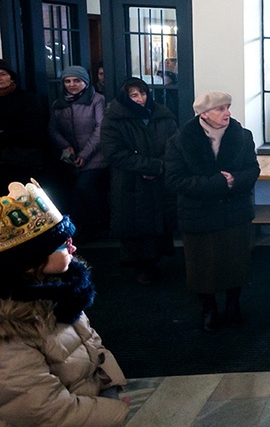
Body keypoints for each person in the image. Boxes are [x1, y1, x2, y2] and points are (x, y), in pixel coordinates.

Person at [0, 180, 129, 425]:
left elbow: (90, 343)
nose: (73, 247)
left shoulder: (61, 290)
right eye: (63, 243)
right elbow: (44, 411)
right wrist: (115, 412)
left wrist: (110, 388)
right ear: (29, 263)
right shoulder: (9, 329)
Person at [166, 92, 260, 332]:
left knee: (235, 262)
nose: (227, 113)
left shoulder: (242, 136)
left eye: (228, 107)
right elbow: (175, 180)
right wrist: (218, 183)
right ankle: (208, 309)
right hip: (199, 213)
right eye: (220, 109)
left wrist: (235, 180)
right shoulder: (180, 141)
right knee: (203, 267)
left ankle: (233, 304)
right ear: (203, 114)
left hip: (234, 211)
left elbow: (252, 169)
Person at [101, 77, 178, 285]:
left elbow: (174, 144)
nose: (140, 99)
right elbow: (113, 152)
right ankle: (141, 266)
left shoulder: (162, 114)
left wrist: (160, 166)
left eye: (143, 93)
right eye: (134, 95)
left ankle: (155, 261)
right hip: (130, 179)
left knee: (157, 221)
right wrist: (149, 166)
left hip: (159, 178)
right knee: (136, 223)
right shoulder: (114, 117)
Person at [48, 65, 108, 239]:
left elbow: (100, 128)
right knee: (71, 191)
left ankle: (96, 224)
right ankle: (79, 228)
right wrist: (65, 146)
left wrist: (84, 154)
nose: (72, 84)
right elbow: (52, 129)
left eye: (77, 80)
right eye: (67, 81)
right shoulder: (58, 103)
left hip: (95, 156)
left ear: (86, 82)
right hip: (70, 157)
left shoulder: (97, 100)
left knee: (84, 187)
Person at [0, 59, 48, 187]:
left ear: (11, 77)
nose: (0, 78)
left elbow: (34, 132)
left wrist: (4, 134)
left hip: (21, 163)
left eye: (3, 74)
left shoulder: (28, 99)